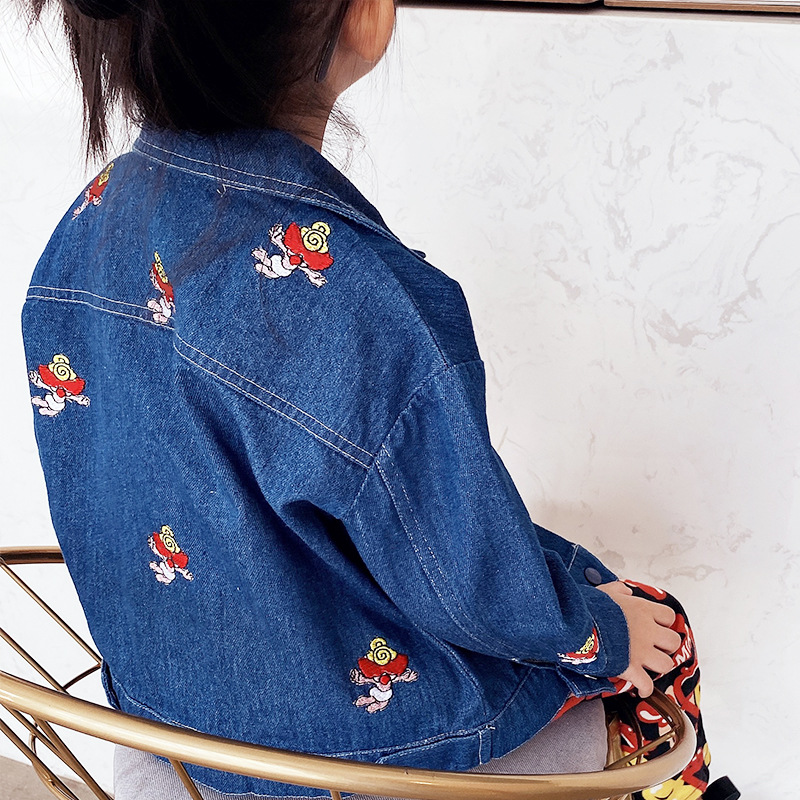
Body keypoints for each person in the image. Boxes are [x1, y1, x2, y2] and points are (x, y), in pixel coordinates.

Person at [19, 1, 736, 798]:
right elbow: (465, 577)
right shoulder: (353, 297)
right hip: (347, 757)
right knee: (659, 639)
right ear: (364, 17)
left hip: (167, 723)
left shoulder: (85, 224)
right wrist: (598, 632)